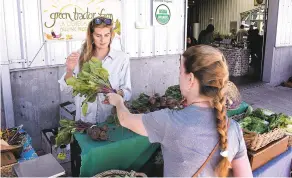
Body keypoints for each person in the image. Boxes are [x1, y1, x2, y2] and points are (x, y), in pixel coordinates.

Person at [106, 45, 253, 177]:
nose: (179, 76)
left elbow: (125, 119)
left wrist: (118, 101)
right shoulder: (233, 129)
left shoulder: (170, 122)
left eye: (180, 71)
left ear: (190, 79)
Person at [58, 17, 132, 124]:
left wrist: (117, 95)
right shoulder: (80, 56)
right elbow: (66, 90)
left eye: (106, 35)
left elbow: (127, 92)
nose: (103, 40)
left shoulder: (122, 58)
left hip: (109, 121)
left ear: (111, 35)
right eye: (98, 35)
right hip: (84, 121)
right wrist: (69, 70)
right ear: (91, 36)